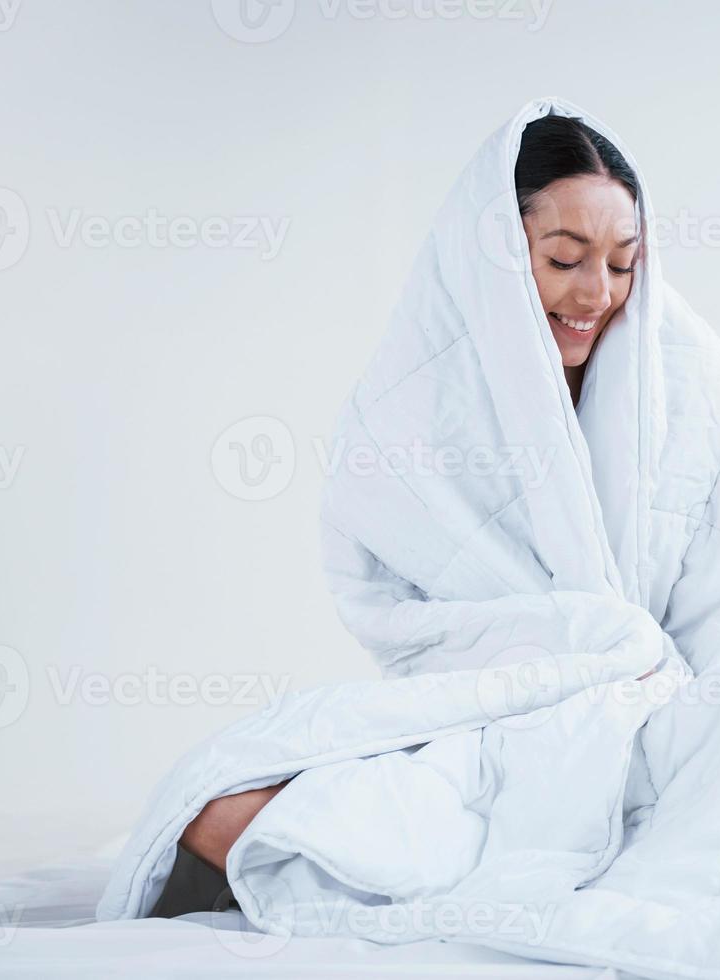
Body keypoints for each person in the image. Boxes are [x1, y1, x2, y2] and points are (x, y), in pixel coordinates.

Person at [178, 111, 657, 878]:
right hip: (482, 708)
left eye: (623, 263)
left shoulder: (683, 377)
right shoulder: (410, 400)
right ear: (497, 253)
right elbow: (385, 608)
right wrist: (577, 646)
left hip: (660, 710)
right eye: (565, 259)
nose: (597, 292)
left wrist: (659, 687)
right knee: (221, 814)